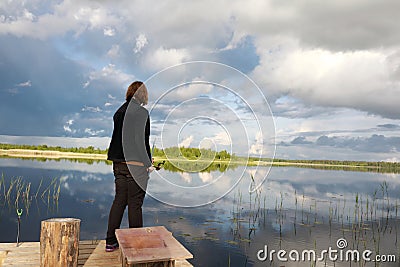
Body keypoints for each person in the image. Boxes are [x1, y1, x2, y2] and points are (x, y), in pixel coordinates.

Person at [105, 81, 153, 252]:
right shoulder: (142, 113)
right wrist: (148, 163)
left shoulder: (118, 112)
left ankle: (110, 242)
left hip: (118, 164)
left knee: (119, 200)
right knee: (135, 204)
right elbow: (142, 142)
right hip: (136, 166)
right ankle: (136, 245)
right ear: (143, 95)